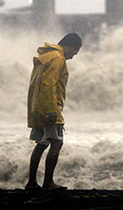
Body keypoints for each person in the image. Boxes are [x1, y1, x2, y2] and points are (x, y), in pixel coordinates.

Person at [25, 32, 82, 191]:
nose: (72, 57)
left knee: (41, 143)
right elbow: (48, 85)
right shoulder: (57, 58)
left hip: (37, 106)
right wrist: (52, 110)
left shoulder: (46, 56)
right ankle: (48, 183)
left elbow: (36, 85)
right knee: (57, 142)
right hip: (49, 107)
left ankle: (31, 183)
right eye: (74, 52)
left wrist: (37, 108)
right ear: (69, 46)